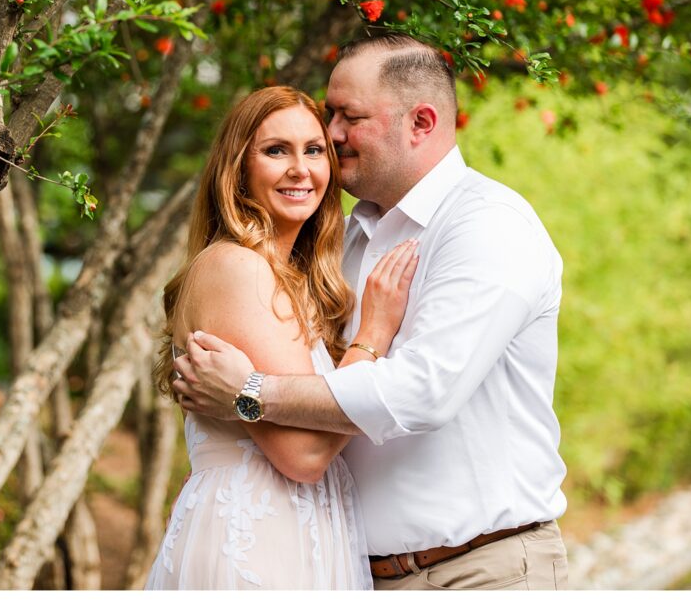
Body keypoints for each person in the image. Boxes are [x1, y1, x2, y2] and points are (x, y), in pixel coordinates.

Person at [173, 34, 570, 590]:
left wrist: (251, 393)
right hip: (346, 570)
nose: (332, 136)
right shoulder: (345, 242)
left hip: (476, 570)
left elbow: (424, 390)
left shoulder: (487, 226)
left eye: (347, 117)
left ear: (422, 122)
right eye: (328, 116)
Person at [143, 86, 419, 590]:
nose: (301, 169)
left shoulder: (292, 279)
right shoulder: (236, 268)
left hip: (300, 533)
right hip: (254, 540)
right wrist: (373, 334)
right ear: (237, 170)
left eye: (314, 150)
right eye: (276, 151)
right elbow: (304, 454)